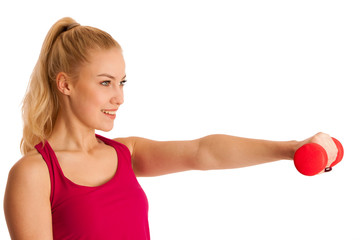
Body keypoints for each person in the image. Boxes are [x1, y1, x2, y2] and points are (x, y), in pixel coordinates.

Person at [3, 17, 338, 240]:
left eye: (122, 82)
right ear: (65, 84)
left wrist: (290, 149)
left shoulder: (125, 153)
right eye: (105, 83)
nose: (118, 97)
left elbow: (203, 152)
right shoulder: (35, 174)